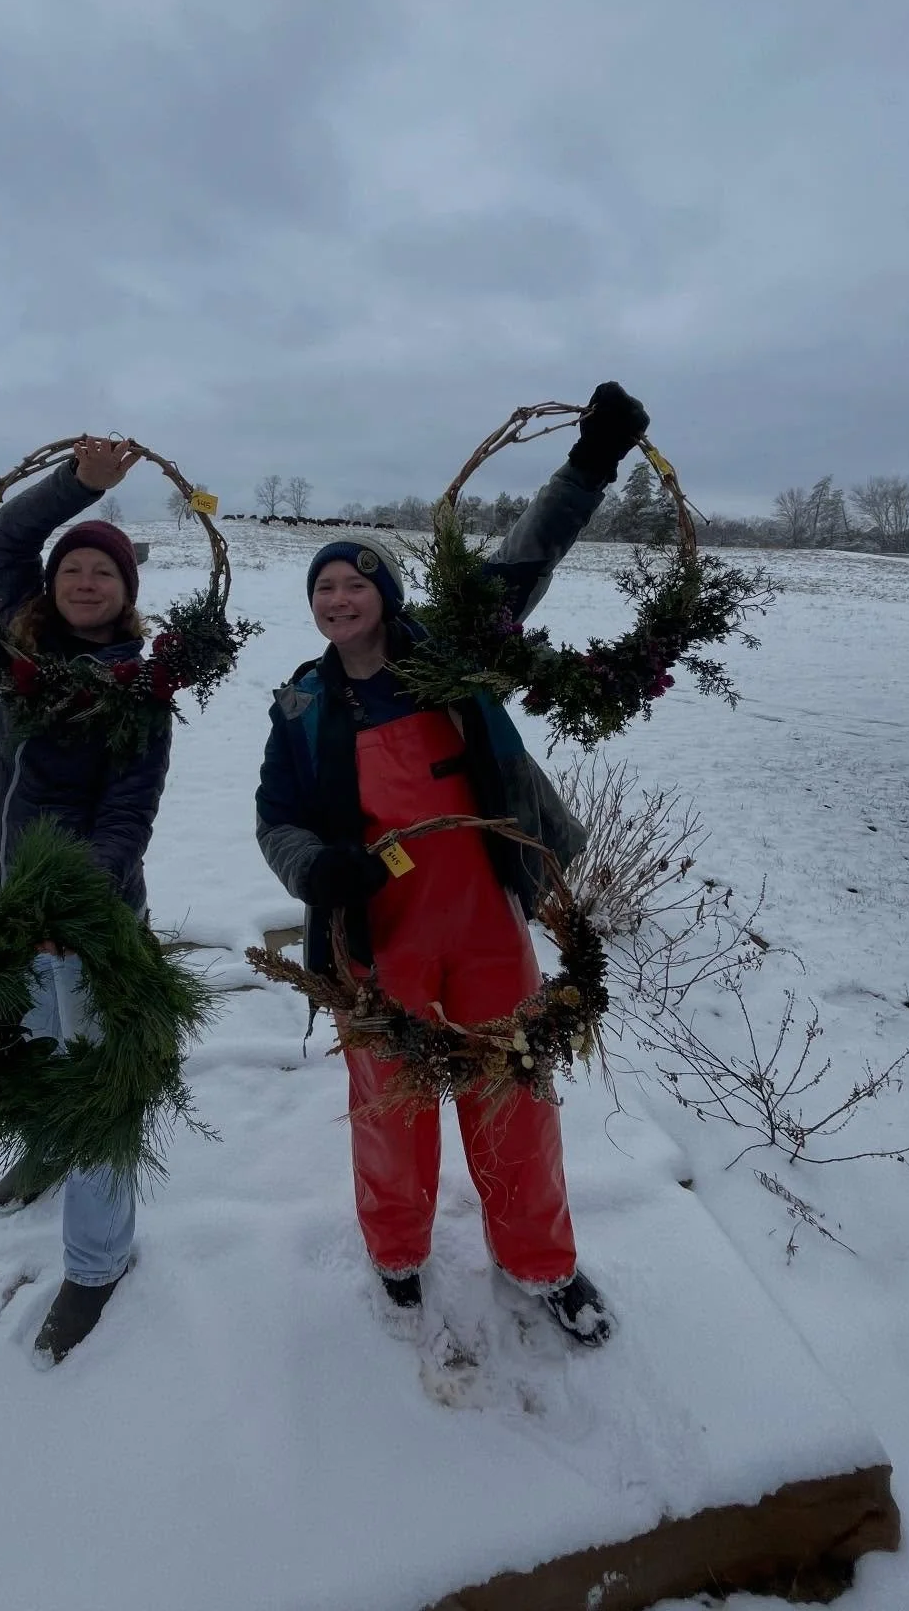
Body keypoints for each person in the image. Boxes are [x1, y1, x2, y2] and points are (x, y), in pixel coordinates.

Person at [255, 383, 649, 1347]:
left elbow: (527, 556)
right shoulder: (302, 707)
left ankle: (541, 1262)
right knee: (387, 1102)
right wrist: (315, 869)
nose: (337, 599)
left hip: (483, 917)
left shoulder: (449, 658)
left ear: (386, 594)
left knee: (513, 1088)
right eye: (322, 588)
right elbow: (276, 818)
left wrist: (591, 463)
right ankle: (396, 1253)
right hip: (376, 932)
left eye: (354, 582)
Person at [0, 435, 167, 1364]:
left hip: (89, 918)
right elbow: (10, 538)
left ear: (127, 592)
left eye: (105, 572)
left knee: (98, 1088)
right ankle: (47, 1148)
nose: (86, 582)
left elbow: (128, 813)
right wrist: (79, 486)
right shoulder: (27, 642)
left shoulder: (138, 687)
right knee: (39, 1045)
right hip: (10, 900)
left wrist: (70, 908)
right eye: (74, 570)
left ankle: (97, 1265)